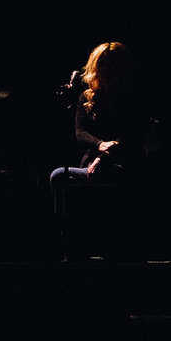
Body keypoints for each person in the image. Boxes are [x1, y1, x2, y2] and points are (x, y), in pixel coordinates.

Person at [49, 41, 148, 256]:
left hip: (124, 163)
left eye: (114, 65)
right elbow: (80, 133)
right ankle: (66, 238)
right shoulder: (86, 98)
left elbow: (133, 132)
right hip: (91, 166)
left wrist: (108, 154)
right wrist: (99, 145)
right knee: (58, 176)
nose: (109, 70)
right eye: (104, 65)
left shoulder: (132, 98)